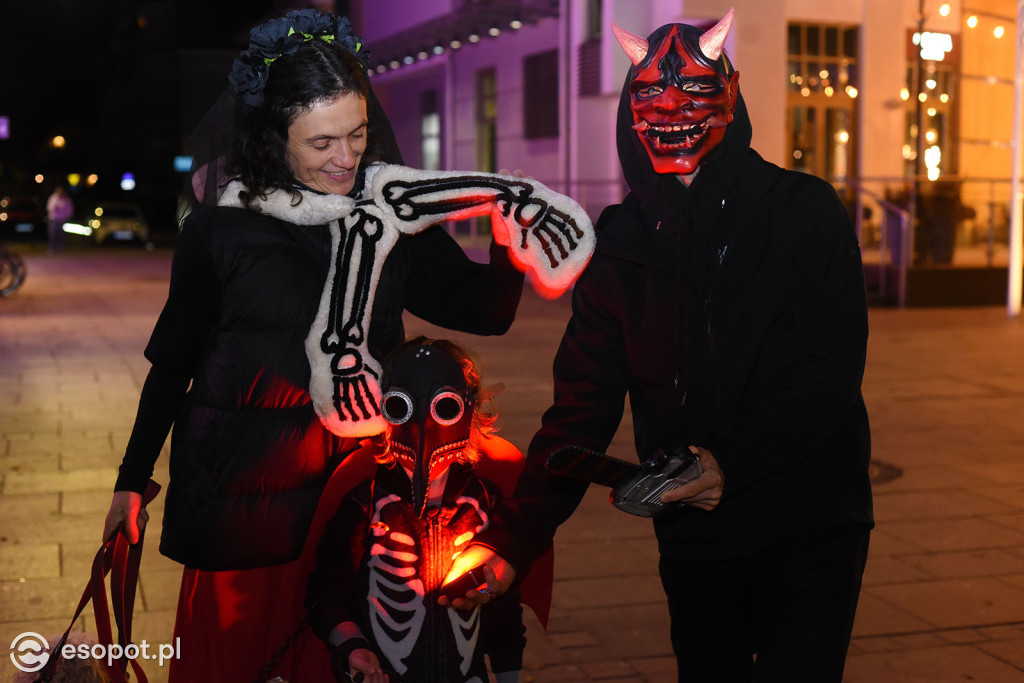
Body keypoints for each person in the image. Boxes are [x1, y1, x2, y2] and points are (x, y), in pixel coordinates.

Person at [99, 9, 590, 682]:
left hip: (355, 505)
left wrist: (508, 239)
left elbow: (487, 312)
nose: (346, 157)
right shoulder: (222, 231)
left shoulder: (387, 220)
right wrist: (131, 479)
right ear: (274, 138)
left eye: (357, 134)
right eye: (321, 141)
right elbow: (172, 363)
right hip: (246, 511)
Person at [455, 10, 874, 683]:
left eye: (692, 92)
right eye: (650, 93)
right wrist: (512, 541)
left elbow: (829, 375)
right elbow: (579, 410)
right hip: (697, 539)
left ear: (729, 95)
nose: (670, 107)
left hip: (810, 521)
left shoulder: (805, 213)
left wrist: (725, 460)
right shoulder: (620, 243)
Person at [307, 337, 534, 683]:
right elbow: (328, 591)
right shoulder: (363, 504)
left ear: (468, 412)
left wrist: (482, 593)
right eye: (400, 408)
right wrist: (350, 645)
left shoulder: (485, 503)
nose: (424, 430)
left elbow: (502, 604)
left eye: (445, 408)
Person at [46, 185, 73, 254]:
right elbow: (49, 208)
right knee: (52, 235)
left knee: (61, 235)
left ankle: (61, 249)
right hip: (53, 219)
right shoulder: (53, 198)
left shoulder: (66, 199)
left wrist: (66, 217)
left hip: (62, 220)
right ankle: (51, 248)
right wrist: (55, 204)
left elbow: (70, 209)